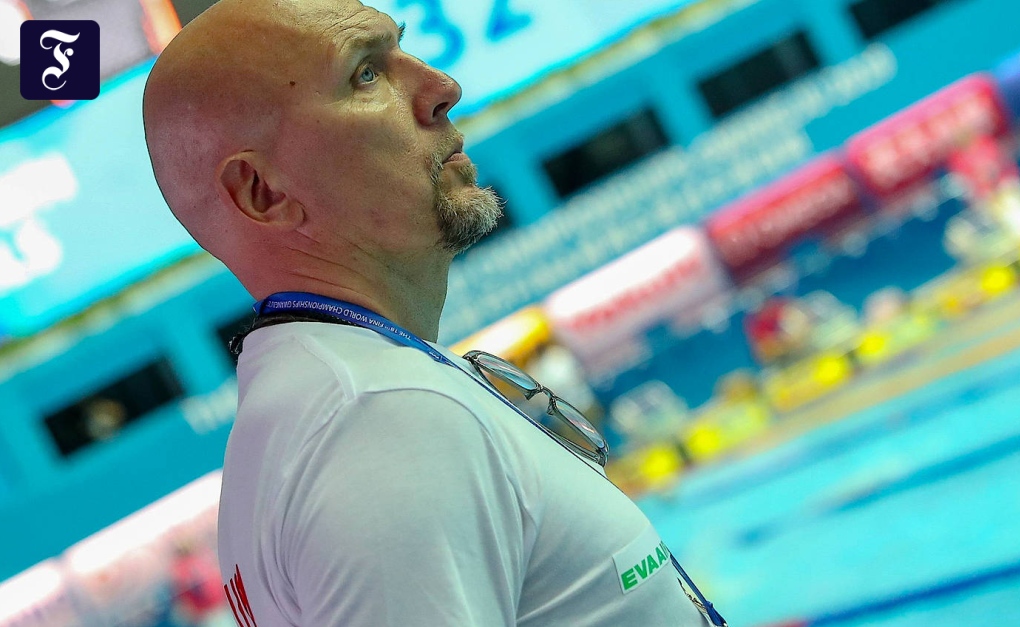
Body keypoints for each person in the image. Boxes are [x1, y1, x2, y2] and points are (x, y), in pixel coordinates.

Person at [141, 0, 725, 625]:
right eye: (366, 74)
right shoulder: (379, 418)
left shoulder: (328, 402)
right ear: (264, 192)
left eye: (401, 50)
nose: (442, 87)